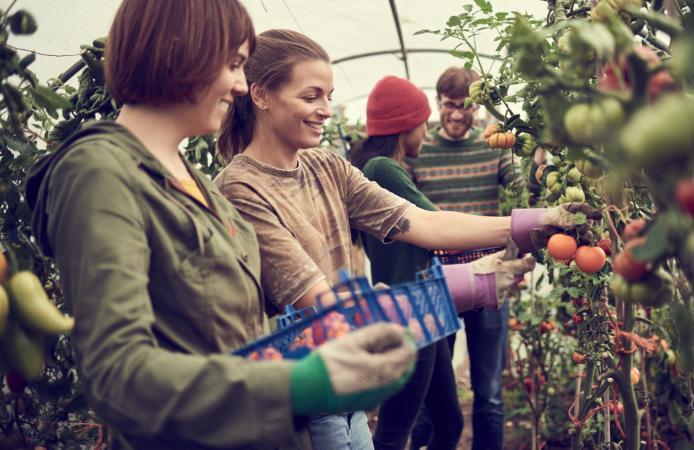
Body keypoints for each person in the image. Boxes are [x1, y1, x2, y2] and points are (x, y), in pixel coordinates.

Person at [23, 2, 418, 449]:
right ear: (180, 55)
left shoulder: (199, 186)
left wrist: (348, 325)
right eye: (232, 65)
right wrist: (299, 383)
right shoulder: (101, 174)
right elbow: (118, 375)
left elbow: (225, 326)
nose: (239, 84)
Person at [216, 30, 599, 450]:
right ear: (261, 95)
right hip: (303, 390)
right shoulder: (241, 190)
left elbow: (424, 222)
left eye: (329, 96)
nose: (326, 110)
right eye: (311, 97)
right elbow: (320, 302)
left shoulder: (325, 166)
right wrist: (466, 286)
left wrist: (536, 224)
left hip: (348, 375)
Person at [407, 67, 520, 450]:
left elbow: (524, 192)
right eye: (450, 105)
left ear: (478, 108)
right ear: (438, 103)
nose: (457, 115)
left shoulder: (494, 147)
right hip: (438, 282)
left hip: (488, 279)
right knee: (430, 390)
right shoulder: (419, 150)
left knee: (488, 391)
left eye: (466, 108)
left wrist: (539, 150)